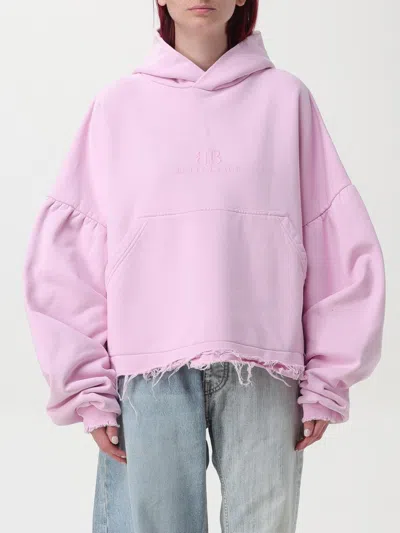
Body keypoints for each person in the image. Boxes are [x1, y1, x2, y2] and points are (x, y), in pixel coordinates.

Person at [23, 1, 386, 532]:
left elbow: (335, 238)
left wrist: (329, 376)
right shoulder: (117, 107)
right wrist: (87, 389)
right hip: (147, 368)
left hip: (265, 365)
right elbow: (71, 255)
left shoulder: (287, 101)